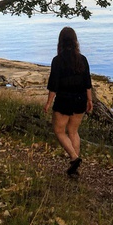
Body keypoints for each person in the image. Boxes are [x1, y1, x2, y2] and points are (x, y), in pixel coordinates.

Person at [44, 27, 94, 177]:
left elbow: (54, 85)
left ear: (61, 42)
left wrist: (48, 103)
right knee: (73, 131)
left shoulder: (57, 60)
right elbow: (87, 82)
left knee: (59, 131)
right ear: (75, 41)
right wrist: (90, 100)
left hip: (64, 100)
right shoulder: (82, 59)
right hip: (80, 99)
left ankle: (74, 158)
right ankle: (74, 170)